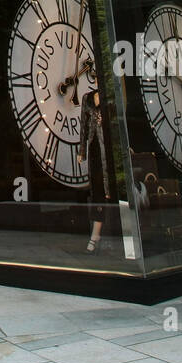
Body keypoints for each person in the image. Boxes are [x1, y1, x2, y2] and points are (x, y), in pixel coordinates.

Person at [78, 86, 111, 253]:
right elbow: (84, 125)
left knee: (109, 190)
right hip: (95, 149)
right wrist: (82, 150)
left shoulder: (111, 94)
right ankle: (95, 234)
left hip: (110, 149)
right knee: (98, 191)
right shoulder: (88, 98)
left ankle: (98, 234)